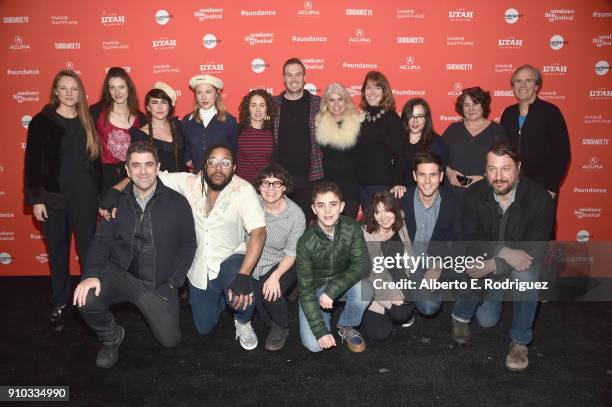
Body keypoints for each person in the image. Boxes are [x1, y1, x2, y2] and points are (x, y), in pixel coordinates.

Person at [74, 141, 197, 368]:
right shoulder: (116, 203)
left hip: (157, 283)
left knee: (170, 342)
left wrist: (173, 282)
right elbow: (102, 241)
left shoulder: (177, 203)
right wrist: (90, 274)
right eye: (136, 166)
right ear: (128, 170)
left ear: (158, 167)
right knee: (86, 298)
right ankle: (111, 337)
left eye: (149, 165)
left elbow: (189, 244)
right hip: (121, 274)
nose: (143, 171)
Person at [452, 143, 554, 372]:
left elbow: (534, 251)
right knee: (487, 320)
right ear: (485, 170)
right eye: (492, 169)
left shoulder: (540, 199)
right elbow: (470, 237)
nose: (498, 177)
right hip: (492, 258)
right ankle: (460, 316)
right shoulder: (475, 194)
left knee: (525, 276)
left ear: (518, 167)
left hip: (521, 264)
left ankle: (520, 342)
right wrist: (501, 252)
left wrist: (494, 264)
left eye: (505, 168)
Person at [24, 69, 102, 327]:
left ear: (80, 92)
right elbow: (33, 163)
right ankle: (59, 301)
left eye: (74, 89)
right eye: (64, 88)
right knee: (57, 251)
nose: (69, 93)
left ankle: (90, 300)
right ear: (55, 91)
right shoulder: (41, 122)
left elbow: (95, 163)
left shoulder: (87, 120)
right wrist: (36, 200)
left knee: (88, 250)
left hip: (85, 197)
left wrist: (100, 196)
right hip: (53, 199)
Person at [297, 182, 373, 353]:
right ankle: (323, 317)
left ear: (342, 206)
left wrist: (331, 290)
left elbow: (362, 265)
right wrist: (320, 331)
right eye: (321, 205)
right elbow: (305, 291)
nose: (327, 211)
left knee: (366, 288)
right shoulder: (305, 242)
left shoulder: (352, 227)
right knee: (315, 346)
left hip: (343, 285)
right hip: (314, 292)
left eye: (333, 204)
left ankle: (346, 325)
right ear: (314, 209)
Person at [500, 64, 570, 235]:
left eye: (528, 81)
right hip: (513, 186)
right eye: (518, 81)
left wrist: (551, 187)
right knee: (513, 232)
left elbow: (563, 154)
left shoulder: (551, 112)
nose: (522, 85)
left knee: (541, 234)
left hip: (542, 187)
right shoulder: (508, 113)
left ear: (537, 86)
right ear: (513, 87)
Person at [397, 152, 463, 318]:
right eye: (422, 175)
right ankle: (413, 290)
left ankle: (434, 287)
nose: (427, 181)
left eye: (432, 175)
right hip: (409, 262)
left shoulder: (453, 202)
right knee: (422, 306)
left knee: (429, 305)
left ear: (441, 176)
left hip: (437, 259)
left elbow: (458, 240)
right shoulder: (401, 198)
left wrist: (438, 265)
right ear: (414, 176)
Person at [252, 164, 306, 350]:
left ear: (284, 187)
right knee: (254, 303)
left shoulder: (295, 214)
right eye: (266, 183)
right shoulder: (252, 202)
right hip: (253, 260)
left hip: (283, 262)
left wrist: (275, 277)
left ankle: (281, 325)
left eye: (277, 183)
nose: (271, 188)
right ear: (259, 186)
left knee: (271, 294)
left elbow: (292, 253)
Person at [361, 191, 415, 342]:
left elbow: (408, 252)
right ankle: (377, 306)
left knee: (402, 312)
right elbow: (369, 273)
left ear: (395, 210)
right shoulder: (366, 234)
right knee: (379, 334)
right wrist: (389, 296)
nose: (383, 217)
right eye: (378, 212)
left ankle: (392, 312)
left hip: (398, 274)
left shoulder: (400, 223)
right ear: (372, 214)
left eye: (387, 210)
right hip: (376, 281)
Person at [273, 58, 323, 221]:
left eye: (298, 75)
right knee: (279, 226)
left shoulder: (319, 104)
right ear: (283, 78)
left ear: (304, 77)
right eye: (289, 75)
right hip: (279, 180)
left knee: (303, 225)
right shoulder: (273, 104)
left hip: (310, 179)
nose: (293, 79)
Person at [442, 86, 507, 202]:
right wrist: (448, 171)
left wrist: (484, 177)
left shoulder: (497, 131)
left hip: (485, 193)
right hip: (453, 194)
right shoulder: (453, 129)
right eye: (466, 105)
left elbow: (505, 163)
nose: (471, 108)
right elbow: (438, 157)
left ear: (483, 105)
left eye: (475, 103)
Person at [355, 71, 407, 212]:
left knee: (382, 228)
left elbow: (400, 156)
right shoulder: (361, 117)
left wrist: (397, 183)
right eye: (368, 87)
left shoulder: (391, 119)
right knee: (369, 228)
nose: (372, 92)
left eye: (377, 87)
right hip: (360, 185)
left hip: (382, 186)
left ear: (385, 92)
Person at [90, 67, 147, 191]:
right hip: (102, 178)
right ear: (107, 90)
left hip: (132, 178)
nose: (117, 92)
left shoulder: (141, 118)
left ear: (128, 88)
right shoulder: (96, 112)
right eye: (112, 88)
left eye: (121, 87)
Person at [315, 82, 362, 218]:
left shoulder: (358, 123)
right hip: (327, 187)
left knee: (347, 231)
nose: (336, 104)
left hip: (351, 188)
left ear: (346, 101)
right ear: (326, 103)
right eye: (332, 100)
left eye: (340, 99)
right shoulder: (318, 124)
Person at [182, 74, 239, 172]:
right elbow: (187, 147)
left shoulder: (229, 121)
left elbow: (234, 152)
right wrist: (188, 159)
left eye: (208, 92)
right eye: (199, 93)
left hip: (222, 176)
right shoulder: (187, 120)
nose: (204, 97)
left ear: (216, 94)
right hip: (197, 177)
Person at [129, 82, 186, 172]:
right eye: (155, 103)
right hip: (157, 185)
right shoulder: (139, 136)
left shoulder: (178, 125)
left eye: (163, 102)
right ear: (148, 107)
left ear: (169, 106)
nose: (159, 107)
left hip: (183, 183)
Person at [399, 98, 446, 187]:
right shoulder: (397, 139)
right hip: (398, 193)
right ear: (405, 118)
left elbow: (438, 176)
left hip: (424, 194)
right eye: (411, 116)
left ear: (426, 119)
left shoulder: (436, 142)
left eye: (420, 116)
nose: (415, 121)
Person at [236, 89, 275, 184]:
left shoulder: (274, 131)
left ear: (267, 108)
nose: (258, 109)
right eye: (254, 105)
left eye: (262, 105)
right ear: (248, 108)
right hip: (242, 187)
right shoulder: (237, 130)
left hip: (266, 187)